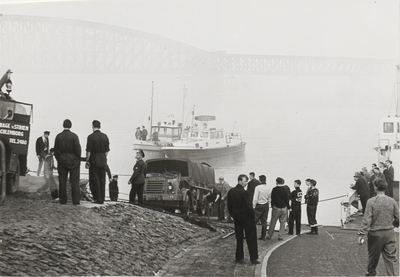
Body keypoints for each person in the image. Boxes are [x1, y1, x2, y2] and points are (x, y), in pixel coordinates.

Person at [358, 178, 399, 276]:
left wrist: (361, 233)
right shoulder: (392, 201)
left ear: (375, 187)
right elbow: (398, 216)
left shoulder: (371, 201)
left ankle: (371, 274)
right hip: (389, 233)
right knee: (391, 258)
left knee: (373, 258)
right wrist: (395, 224)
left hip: (375, 234)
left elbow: (367, 219)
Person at [227, 174, 259, 264]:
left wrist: (233, 215)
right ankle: (253, 258)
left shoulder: (231, 191)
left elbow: (229, 206)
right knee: (251, 237)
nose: (246, 183)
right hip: (247, 218)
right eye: (245, 181)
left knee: (239, 237)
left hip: (237, 217)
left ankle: (239, 257)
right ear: (240, 181)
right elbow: (248, 206)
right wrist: (253, 216)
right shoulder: (244, 193)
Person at [54, 119, 81, 205]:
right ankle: (75, 201)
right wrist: (77, 158)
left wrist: (59, 158)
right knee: (74, 181)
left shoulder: (58, 136)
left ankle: (63, 200)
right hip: (73, 160)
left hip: (62, 159)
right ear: (70, 126)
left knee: (62, 180)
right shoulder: (74, 136)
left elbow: (55, 150)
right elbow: (78, 150)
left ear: (63, 125)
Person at [85, 120, 110, 204]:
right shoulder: (105, 136)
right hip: (103, 160)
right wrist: (103, 158)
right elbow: (106, 152)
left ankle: (97, 198)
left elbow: (89, 151)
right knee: (102, 180)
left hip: (94, 160)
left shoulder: (90, 137)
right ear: (100, 126)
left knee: (95, 179)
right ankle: (102, 198)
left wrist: (87, 161)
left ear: (92, 126)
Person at [252, 175, 271, 240]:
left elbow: (255, 198)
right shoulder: (269, 188)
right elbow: (269, 198)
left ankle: (253, 235)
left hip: (258, 205)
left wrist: (253, 206)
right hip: (265, 205)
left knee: (254, 221)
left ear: (259, 180)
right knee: (264, 221)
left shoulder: (258, 188)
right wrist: (268, 204)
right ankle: (263, 236)